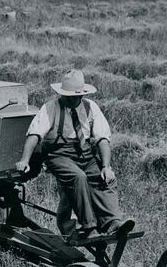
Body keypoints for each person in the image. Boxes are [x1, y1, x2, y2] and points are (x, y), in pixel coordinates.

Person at [14, 69, 134, 239]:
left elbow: (102, 139)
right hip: (58, 154)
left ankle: (112, 222)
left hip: (85, 152)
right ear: (62, 94)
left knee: (105, 178)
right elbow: (35, 134)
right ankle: (88, 227)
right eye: (68, 96)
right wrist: (25, 160)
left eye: (76, 96)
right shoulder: (51, 107)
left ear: (81, 95)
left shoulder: (90, 107)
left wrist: (107, 167)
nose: (73, 99)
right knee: (79, 177)